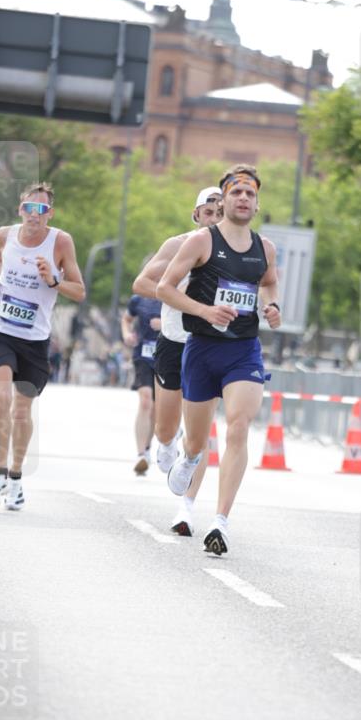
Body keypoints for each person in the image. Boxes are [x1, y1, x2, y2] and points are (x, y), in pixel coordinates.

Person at [156, 164, 281, 554]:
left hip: (243, 350)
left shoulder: (265, 248)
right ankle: (189, 458)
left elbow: (269, 282)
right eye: (236, 192)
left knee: (238, 428)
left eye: (250, 193)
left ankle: (220, 522)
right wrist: (204, 310)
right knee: (196, 440)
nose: (243, 198)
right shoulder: (201, 242)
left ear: (257, 205)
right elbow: (164, 288)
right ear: (223, 201)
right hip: (202, 349)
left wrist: (272, 305)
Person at [0, 182, 85, 509]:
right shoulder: (4, 235)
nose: (34, 214)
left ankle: (15, 477)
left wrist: (53, 279)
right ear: (20, 209)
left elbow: (79, 291)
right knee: (2, 396)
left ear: (50, 213)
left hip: (35, 339)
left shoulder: (60, 242)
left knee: (22, 410)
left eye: (41, 209)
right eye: (29, 207)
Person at [132, 186, 222, 534]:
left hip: (211, 345)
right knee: (166, 428)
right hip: (174, 341)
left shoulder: (236, 251)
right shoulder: (178, 245)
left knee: (202, 432)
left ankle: (186, 508)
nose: (214, 219)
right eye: (208, 212)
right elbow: (142, 283)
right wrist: (177, 293)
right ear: (196, 215)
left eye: (220, 213)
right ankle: (167, 443)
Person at [121, 277, 162, 475]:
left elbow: (187, 322)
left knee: (156, 409)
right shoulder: (138, 299)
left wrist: (164, 324)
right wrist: (127, 334)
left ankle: (147, 447)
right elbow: (126, 319)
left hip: (166, 356)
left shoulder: (175, 295)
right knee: (145, 401)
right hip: (143, 355)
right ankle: (140, 455)